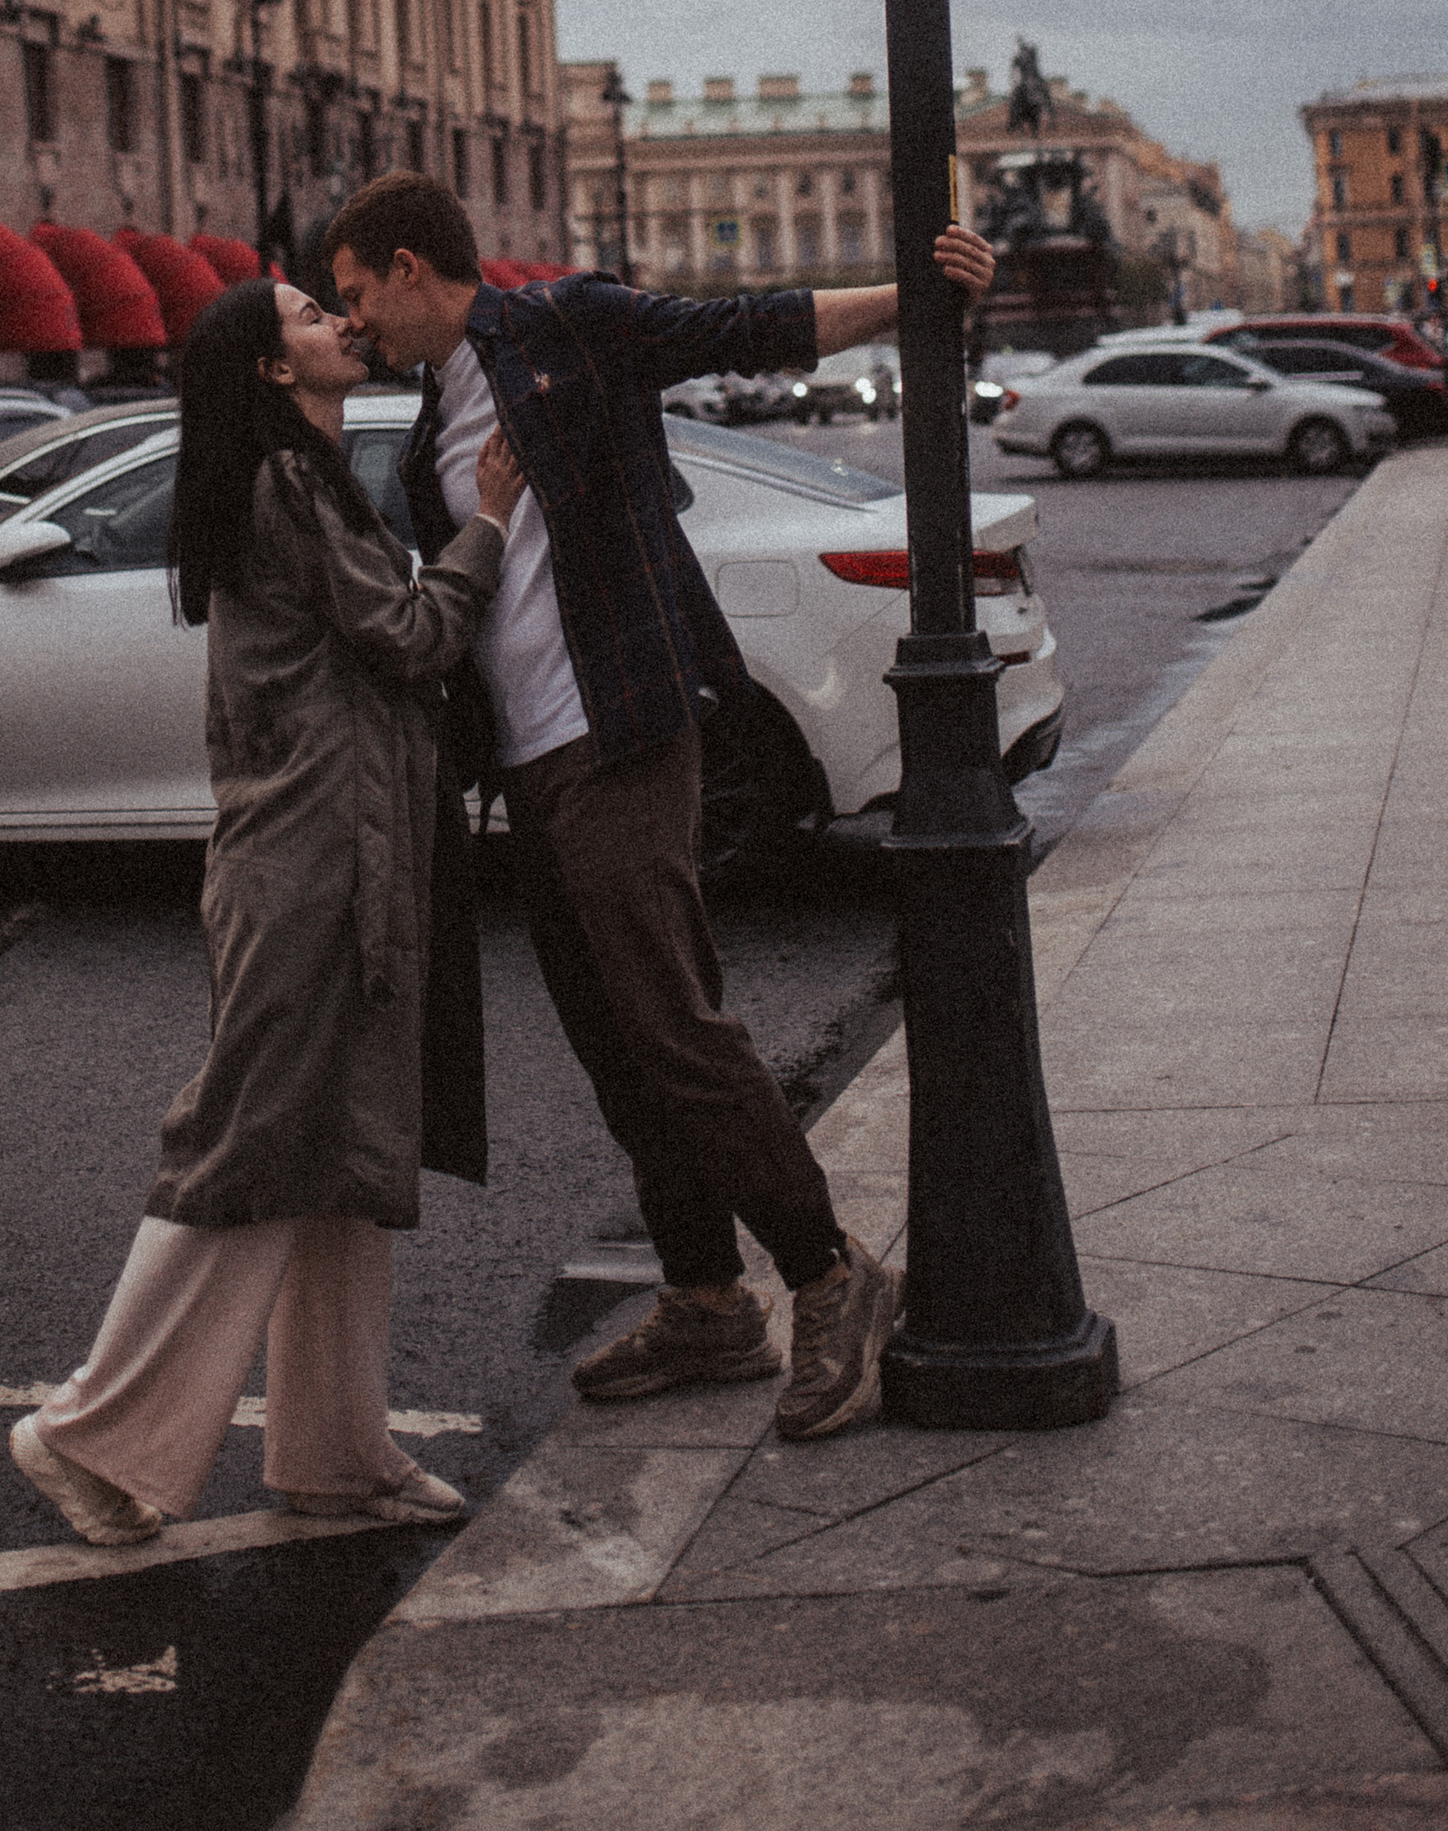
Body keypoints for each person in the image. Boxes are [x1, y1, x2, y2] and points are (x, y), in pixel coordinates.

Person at [326, 171, 1000, 1446]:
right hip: (531, 761)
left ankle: (830, 1275)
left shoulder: (561, 324)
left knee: (674, 1028)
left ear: (413, 266)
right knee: (614, 1043)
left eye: (360, 295)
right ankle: (705, 1301)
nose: (355, 322)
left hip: (622, 725)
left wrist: (916, 295)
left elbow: (736, 328)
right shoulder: (427, 417)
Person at [11, 273, 522, 1549]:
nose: (339, 324)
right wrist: (492, 529)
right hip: (306, 870)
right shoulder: (286, 488)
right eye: (307, 316)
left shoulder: (309, 478)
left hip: (341, 859)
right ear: (268, 372)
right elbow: (409, 635)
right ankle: (87, 1432)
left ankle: (335, 1451)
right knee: (247, 1142)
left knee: (344, 1150)